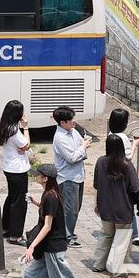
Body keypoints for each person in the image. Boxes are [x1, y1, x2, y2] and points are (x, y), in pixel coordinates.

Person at [0, 163, 92, 278]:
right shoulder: (50, 194)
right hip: (46, 248)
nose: (35, 176)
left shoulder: (51, 196)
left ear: (45, 178)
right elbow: (49, 213)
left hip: (53, 249)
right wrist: (36, 202)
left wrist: (31, 247)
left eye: (38, 174)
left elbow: (47, 226)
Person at [92, 135, 139, 278]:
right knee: (122, 240)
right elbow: (135, 187)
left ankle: (98, 264)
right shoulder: (127, 165)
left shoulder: (100, 161)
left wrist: (97, 203)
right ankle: (118, 271)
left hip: (104, 207)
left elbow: (96, 184)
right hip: (123, 209)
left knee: (106, 235)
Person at [51, 106, 91, 247]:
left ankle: (67, 232)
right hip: (67, 178)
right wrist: (83, 147)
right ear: (62, 122)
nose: (74, 122)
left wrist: (82, 148)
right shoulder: (60, 138)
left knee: (76, 207)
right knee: (70, 210)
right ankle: (67, 237)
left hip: (78, 175)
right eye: (71, 120)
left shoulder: (73, 131)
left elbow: (81, 152)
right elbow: (72, 158)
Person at [0, 101, 31, 245]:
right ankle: (15, 235)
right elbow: (27, 145)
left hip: (8, 167)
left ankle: (5, 227)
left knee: (12, 198)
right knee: (20, 202)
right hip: (18, 170)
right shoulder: (14, 130)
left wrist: (22, 149)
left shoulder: (4, 127)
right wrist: (26, 128)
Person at [108, 109, 139, 246]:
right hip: (124, 174)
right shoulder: (122, 137)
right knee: (128, 203)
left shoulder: (110, 135)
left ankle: (131, 233)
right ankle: (133, 234)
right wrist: (135, 144)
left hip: (112, 173)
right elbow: (128, 157)